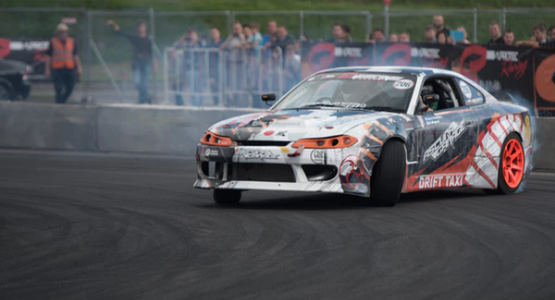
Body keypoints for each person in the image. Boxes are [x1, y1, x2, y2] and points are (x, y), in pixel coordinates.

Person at [107, 19, 157, 104]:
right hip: (136, 63)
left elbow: (152, 52)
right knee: (137, 83)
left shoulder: (149, 40)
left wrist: (154, 63)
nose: (142, 28)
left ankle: (141, 101)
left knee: (143, 84)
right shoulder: (135, 38)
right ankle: (147, 97)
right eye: (140, 27)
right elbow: (121, 33)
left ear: (145, 28)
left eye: (143, 27)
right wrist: (114, 23)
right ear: (138, 28)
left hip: (146, 63)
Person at [44, 23, 83, 104]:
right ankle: (59, 103)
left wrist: (79, 67)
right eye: (61, 32)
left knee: (70, 87)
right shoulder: (53, 41)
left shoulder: (72, 41)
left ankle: (62, 100)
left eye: (64, 32)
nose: (63, 34)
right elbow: (48, 56)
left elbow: (75, 55)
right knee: (58, 88)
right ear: (58, 33)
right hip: (57, 68)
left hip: (69, 68)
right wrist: (47, 69)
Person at [173, 29, 205, 106]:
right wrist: (182, 39)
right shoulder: (186, 44)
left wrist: (196, 40)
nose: (191, 36)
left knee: (199, 87)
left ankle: (200, 104)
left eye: (192, 34)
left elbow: (205, 46)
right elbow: (175, 46)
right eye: (189, 35)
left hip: (198, 69)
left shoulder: (200, 42)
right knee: (191, 88)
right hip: (188, 69)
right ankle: (194, 104)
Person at [206, 27, 223, 106]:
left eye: (215, 33)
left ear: (219, 33)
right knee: (213, 85)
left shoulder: (222, 42)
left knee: (222, 85)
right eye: (212, 33)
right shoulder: (209, 44)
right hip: (212, 68)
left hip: (222, 68)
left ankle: (223, 101)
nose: (213, 35)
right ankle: (216, 102)